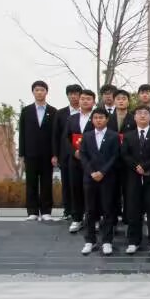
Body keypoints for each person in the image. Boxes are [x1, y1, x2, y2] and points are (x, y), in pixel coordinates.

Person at [121, 106, 150, 256]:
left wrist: (146, 166)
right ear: (134, 117)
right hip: (133, 178)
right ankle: (134, 241)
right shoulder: (128, 136)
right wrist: (136, 167)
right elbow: (124, 154)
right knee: (133, 210)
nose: (142, 116)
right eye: (139, 113)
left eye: (146, 113)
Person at [80, 109, 120, 256]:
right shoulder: (87, 136)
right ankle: (90, 240)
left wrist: (102, 172)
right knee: (90, 210)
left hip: (107, 178)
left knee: (108, 210)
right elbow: (83, 155)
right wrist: (92, 172)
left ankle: (107, 241)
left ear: (107, 119)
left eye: (101, 117)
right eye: (95, 118)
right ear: (92, 120)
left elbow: (115, 156)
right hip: (90, 178)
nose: (98, 120)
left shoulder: (113, 136)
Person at [18, 80, 58, 221]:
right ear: (33, 92)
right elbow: (22, 134)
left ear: (46, 92)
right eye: (37, 90)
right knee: (31, 183)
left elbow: (55, 135)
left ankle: (46, 211)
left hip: (47, 154)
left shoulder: (53, 111)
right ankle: (32, 212)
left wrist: (55, 154)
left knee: (47, 182)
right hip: (30, 153)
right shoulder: (26, 111)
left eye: (42, 90)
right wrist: (21, 155)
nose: (39, 92)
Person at [63, 89, 96, 233]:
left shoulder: (98, 117)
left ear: (94, 102)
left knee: (92, 190)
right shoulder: (72, 118)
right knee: (75, 188)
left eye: (88, 99)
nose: (85, 101)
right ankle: (77, 218)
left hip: (92, 160)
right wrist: (74, 152)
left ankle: (93, 219)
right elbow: (65, 138)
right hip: (75, 160)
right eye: (83, 98)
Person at [52, 84, 82, 220]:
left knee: (82, 184)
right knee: (67, 183)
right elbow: (56, 135)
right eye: (71, 94)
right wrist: (55, 154)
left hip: (83, 154)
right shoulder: (60, 113)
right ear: (67, 96)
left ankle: (83, 211)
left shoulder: (88, 113)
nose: (73, 96)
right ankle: (68, 210)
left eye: (76, 94)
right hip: (66, 154)